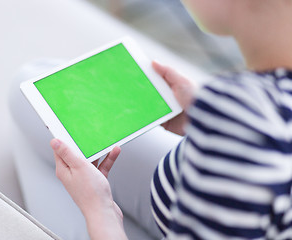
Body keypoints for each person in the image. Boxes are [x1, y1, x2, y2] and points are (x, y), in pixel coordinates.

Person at [51, 0, 292, 239]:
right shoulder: (256, 109)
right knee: (38, 79)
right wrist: (208, 125)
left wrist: (100, 210)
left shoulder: (243, 110)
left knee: (52, 167)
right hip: (179, 206)